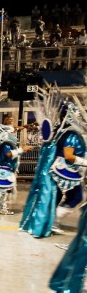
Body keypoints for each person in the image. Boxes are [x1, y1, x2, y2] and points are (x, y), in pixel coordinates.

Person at [21, 94, 87, 237]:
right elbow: (69, 155)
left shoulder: (63, 132)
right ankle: (53, 221)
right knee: (76, 196)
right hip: (65, 169)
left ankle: (48, 221)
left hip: (60, 168)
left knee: (56, 196)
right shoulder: (71, 134)